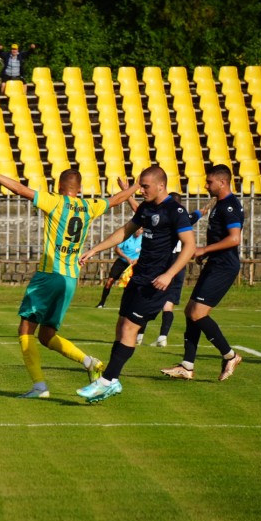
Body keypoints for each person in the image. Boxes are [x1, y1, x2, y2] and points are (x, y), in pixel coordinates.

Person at [0, 156, 139, 398]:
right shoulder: (89, 206)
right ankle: (90, 363)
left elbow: (19, 188)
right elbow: (118, 199)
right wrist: (134, 187)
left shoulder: (55, 202)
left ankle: (39, 387)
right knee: (47, 335)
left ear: (59, 187)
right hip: (70, 279)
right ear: (79, 189)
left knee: (25, 329)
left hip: (49, 275)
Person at [76, 166, 196, 403]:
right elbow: (124, 231)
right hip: (138, 276)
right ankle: (112, 380)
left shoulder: (176, 210)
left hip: (156, 282)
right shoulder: (146, 207)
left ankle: (107, 381)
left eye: (145, 186)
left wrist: (169, 275)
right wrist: (94, 249)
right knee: (122, 326)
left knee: (130, 328)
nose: (140, 190)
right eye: (140, 185)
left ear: (161, 185)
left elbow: (190, 245)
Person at [161, 164, 245, 381]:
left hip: (224, 266)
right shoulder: (220, 204)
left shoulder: (229, 206)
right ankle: (187, 366)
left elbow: (235, 238)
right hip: (215, 263)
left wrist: (204, 249)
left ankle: (230, 355)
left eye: (209, 182)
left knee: (198, 313)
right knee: (190, 311)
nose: (206, 186)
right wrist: (206, 254)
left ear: (222, 182)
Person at [125, 189, 215, 346]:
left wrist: (128, 195)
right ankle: (162, 337)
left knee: (147, 297)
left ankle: (140, 334)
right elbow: (201, 212)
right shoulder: (186, 217)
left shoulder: (169, 216)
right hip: (179, 265)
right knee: (168, 302)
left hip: (166, 263)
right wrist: (209, 205)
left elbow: (139, 211)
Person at [95, 228, 143, 309]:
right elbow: (117, 249)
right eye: (137, 229)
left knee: (129, 284)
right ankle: (102, 302)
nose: (138, 231)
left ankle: (128, 304)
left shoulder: (144, 239)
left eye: (141, 230)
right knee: (109, 281)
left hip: (134, 264)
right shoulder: (127, 237)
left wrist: (137, 260)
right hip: (122, 261)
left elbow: (146, 251)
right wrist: (127, 258)